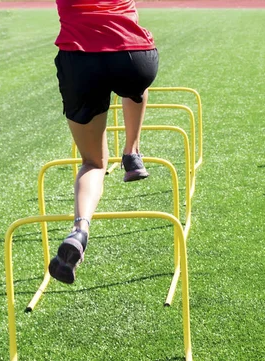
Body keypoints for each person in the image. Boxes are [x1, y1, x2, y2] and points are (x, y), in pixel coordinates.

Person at [48, 0, 159, 284]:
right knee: (135, 86)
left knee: (93, 163)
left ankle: (80, 229)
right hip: (133, 56)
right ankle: (132, 153)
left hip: (80, 59)